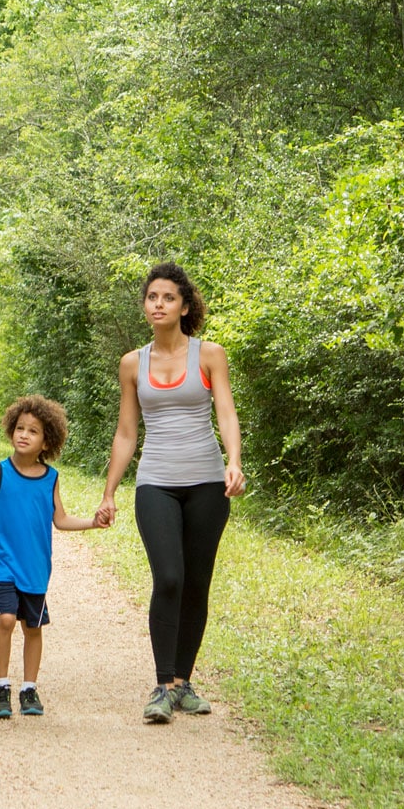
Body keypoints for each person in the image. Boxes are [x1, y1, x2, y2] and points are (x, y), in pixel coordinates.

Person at [94, 262, 247, 724]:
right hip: (155, 482)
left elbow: (226, 412)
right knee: (170, 578)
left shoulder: (209, 355)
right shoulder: (132, 362)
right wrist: (109, 492)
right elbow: (126, 432)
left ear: (184, 306)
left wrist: (233, 462)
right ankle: (162, 685)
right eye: (151, 298)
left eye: (167, 298)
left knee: (197, 582)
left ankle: (183, 682)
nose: (158, 305)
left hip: (206, 482)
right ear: (145, 306)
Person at [0, 395, 109, 719]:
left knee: (33, 628)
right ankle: (1, 686)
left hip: (36, 568)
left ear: (46, 441)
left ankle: (29, 688)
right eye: (20, 428)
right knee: (6, 619)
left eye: (33, 431)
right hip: (3, 564)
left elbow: (61, 519)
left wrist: (93, 523)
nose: (24, 434)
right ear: (11, 431)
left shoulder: (51, 477)